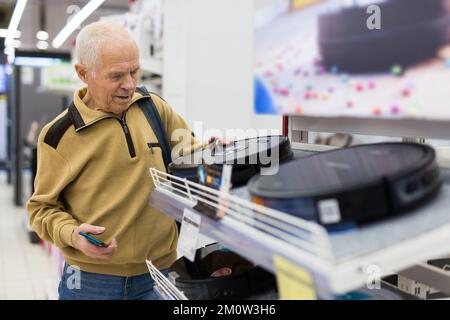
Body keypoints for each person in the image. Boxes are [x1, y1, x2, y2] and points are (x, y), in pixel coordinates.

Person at [27, 21, 201, 300]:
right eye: (117, 75)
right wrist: (72, 235)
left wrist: (218, 152)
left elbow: (193, 155)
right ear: (83, 73)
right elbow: (41, 209)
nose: (130, 84)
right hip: (90, 282)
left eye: (134, 71)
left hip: (160, 273)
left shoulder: (153, 108)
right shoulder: (59, 136)